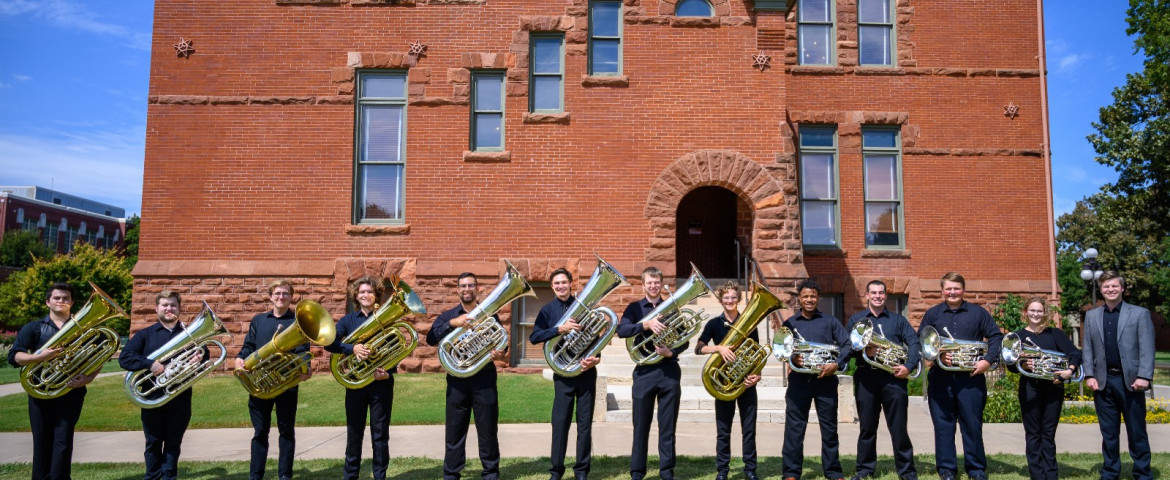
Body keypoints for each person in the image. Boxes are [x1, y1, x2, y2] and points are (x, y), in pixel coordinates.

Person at [8, 282, 99, 480]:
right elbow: (14, 357)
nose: (61, 301)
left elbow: (99, 356)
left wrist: (88, 377)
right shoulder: (34, 327)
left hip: (70, 392)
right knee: (41, 441)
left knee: (63, 442)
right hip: (41, 392)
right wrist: (39, 357)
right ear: (48, 302)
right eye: (57, 298)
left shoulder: (83, 328)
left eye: (66, 298)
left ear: (72, 302)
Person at [916, 272, 1001, 480]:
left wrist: (987, 360)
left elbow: (996, 336)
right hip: (940, 378)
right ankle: (946, 470)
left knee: (972, 424)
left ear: (963, 290)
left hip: (971, 378)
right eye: (948, 288)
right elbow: (923, 342)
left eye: (957, 288)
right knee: (943, 425)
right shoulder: (933, 314)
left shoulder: (978, 313)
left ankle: (976, 469)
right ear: (942, 291)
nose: (952, 292)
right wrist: (938, 357)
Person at [426, 272, 507, 480]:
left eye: (471, 285)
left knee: (488, 429)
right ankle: (451, 473)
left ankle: (490, 473)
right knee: (454, 430)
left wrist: (500, 352)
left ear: (477, 288)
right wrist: (454, 323)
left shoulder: (489, 313)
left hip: (485, 379)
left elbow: (502, 341)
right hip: (457, 382)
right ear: (457, 289)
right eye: (463, 285)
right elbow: (430, 338)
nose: (467, 289)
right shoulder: (448, 315)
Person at [119, 291, 206, 480]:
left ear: (179, 309)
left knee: (174, 442)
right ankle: (152, 476)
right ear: (156, 308)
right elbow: (125, 358)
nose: (169, 309)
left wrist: (198, 358)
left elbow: (204, 352)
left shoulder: (189, 334)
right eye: (165, 305)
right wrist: (149, 364)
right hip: (153, 397)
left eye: (173, 305)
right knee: (153, 442)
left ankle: (169, 476)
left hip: (180, 396)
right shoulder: (145, 335)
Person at [616, 266, 689, 480]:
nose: (653, 285)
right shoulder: (634, 309)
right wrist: (645, 324)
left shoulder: (671, 309)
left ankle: (667, 472)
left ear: (661, 283)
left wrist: (671, 351)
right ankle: (637, 472)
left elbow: (684, 340)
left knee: (668, 427)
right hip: (644, 372)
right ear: (644, 284)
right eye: (650, 282)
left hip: (668, 372)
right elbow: (621, 331)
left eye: (657, 282)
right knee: (641, 426)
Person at [529, 268, 601, 480]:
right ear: (552, 287)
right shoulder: (547, 310)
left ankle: (581, 471)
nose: (560, 286)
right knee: (560, 423)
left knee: (585, 424)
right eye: (556, 283)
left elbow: (596, 339)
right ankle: (556, 471)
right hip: (563, 373)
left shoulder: (584, 308)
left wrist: (596, 358)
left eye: (564, 282)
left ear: (571, 284)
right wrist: (559, 329)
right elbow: (535, 337)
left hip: (586, 372)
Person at [1082, 271, 1154, 480]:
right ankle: (1110, 472)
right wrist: (1090, 375)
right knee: (1109, 434)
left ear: (1122, 288)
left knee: (1137, 432)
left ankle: (1142, 473)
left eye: (1114, 286)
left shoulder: (1139, 313)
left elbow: (1147, 348)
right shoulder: (1093, 315)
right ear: (1101, 290)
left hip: (1131, 382)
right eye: (1106, 287)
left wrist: (1144, 376)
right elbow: (1088, 349)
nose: (1110, 290)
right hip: (1103, 383)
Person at [235, 279, 310, 480]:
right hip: (260, 384)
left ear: (291, 297)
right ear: (270, 296)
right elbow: (248, 346)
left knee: (286, 431)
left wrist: (305, 368)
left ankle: (285, 475)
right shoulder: (258, 320)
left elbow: (304, 351)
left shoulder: (298, 321)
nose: (281, 297)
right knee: (260, 432)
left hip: (286, 384)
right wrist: (240, 359)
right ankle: (255, 475)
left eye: (285, 293)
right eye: (277, 293)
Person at [845, 280, 919, 480]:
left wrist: (908, 366)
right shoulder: (857, 320)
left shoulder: (898, 321)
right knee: (867, 428)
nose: (877, 296)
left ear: (886, 296)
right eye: (873, 293)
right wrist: (862, 350)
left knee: (898, 428)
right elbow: (847, 347)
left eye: (881, 293)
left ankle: (907, 471)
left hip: (893, 379)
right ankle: (865, 470)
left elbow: (914, 343)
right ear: (867, 295)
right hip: (866, 379)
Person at [324, 276, 395, 480]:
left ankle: (380, 475)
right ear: (356, 295)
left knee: (380, 433)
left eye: (370, 292)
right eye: (362, 291)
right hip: (356, 382)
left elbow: (397, 349)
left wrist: (388, 372)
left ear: (377, 296)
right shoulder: (347, 321)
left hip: (381, 383)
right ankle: (351, 475)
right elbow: (329, 343)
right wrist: (351, 348)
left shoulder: (387, 317)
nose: (366, 295)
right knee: (354, 432)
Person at [780, 280, 850, 480]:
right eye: (805, 296)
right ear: (799, 299)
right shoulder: (790, 324)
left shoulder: (830, 321)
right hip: (799, 382)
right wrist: (793, 358)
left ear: (818, 298)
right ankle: (791, 473)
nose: (809, 300)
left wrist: (836, 364)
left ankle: (833, 472)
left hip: (825, 381)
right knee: (794, 429)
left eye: (813, 296)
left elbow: (846, 345)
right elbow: (782, 350)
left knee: (829, 429)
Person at [1004, 296, 1081, 480]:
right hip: (1030, 387)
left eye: (1039, 311)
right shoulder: (1018, 336)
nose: (1036, 314)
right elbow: (1010, 366)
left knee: (1048, 433)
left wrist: (1069, 371)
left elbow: (1075, 354)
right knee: (1032, 433)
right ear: (1026, 312)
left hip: (1053, 387)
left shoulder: (1055, 334)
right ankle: (1037, 475)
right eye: (1032, 310)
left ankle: (1051, 474)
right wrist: (1025, 364)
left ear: (1044, 313)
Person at [694, 281, 760, 480]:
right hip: (723, 384)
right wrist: (719, 348)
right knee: (723, 431)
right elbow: (699, 347)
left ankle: (750, 470)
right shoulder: (714, 323)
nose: (730, 301)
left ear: (738, 299)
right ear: (721, 300)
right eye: (726, 298)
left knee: (749, 430)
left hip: (746, 383)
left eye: (733, 297)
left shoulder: (748, 323)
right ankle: (722, 470)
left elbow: (756, 353)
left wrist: (757, 376)